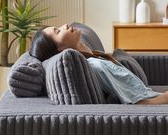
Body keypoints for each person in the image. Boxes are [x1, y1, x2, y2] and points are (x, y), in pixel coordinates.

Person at [29, 24, 168, 105]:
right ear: (59, 49)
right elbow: (139, 104)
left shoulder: (97, 57)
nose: (64, 25)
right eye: (58, 31)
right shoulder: (97, 67)